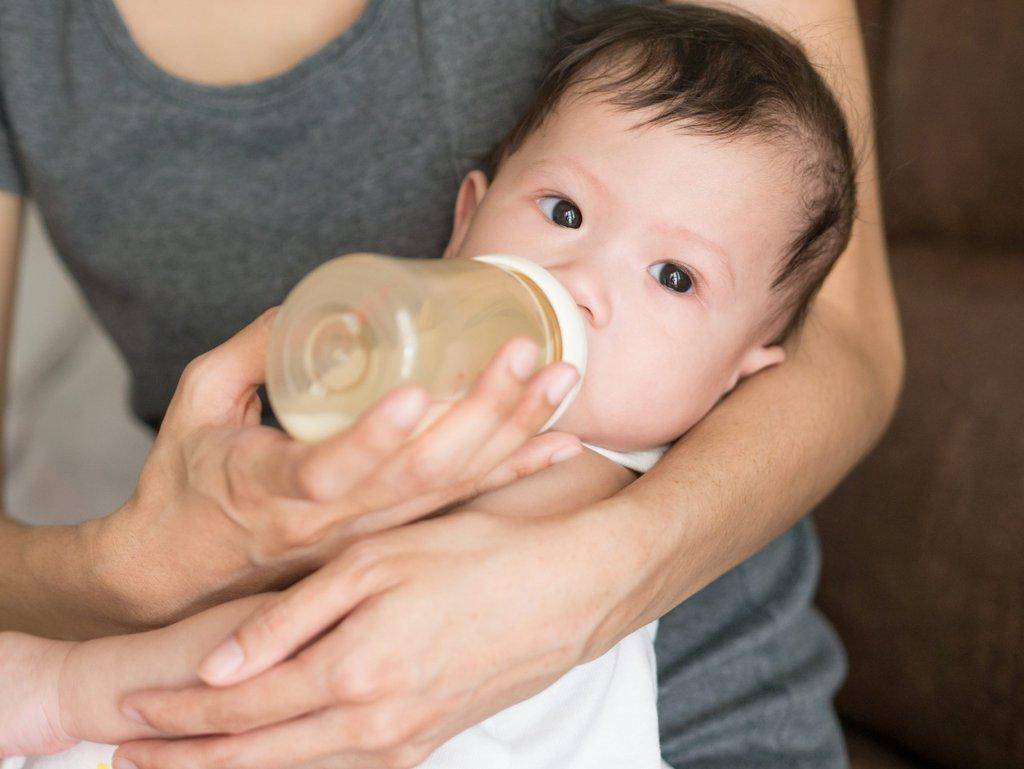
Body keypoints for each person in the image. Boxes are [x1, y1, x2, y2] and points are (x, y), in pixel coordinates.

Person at [0, 1, 903, 767]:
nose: (583, 281)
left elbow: (850, 351)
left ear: (742, 369)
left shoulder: (601, 460)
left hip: (703, 701)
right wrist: (122, 581)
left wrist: (600, 567)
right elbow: (264, 631)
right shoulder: (372, 404)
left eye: (674, 277)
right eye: (563, 211)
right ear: (466, 218)